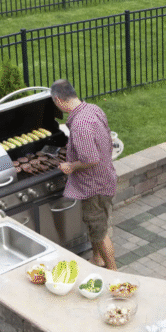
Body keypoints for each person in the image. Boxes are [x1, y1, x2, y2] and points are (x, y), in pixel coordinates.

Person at [50, 79, 118, 271]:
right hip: (106, 178)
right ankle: (97, 259)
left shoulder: (80, 125)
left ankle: (114, 274)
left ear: (58, 99)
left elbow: (91, 159)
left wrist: (71, 166)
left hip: (94, 186)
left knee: (99, 231)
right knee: (95, 224)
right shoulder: (93, 109)